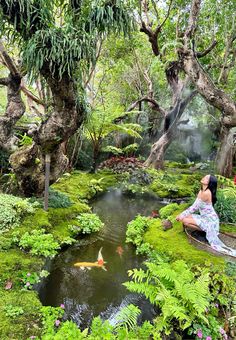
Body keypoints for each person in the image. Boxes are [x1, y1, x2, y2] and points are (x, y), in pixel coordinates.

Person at [176, 174, 236, 257]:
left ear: (210, 182)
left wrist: (181, 215)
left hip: (210, 220)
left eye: (207, 178)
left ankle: (207, 230)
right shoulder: (202, 191)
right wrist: (182, 214)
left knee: (185, 220)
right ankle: (205, 229)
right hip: (205, 217)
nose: (204, 177)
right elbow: (194, 206)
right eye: (205, 176)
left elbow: (194, 208)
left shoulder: (206, 193)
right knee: (186, 217)